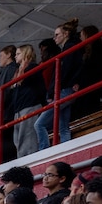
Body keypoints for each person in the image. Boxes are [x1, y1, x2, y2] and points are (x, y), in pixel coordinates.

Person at [35, 19, 82, 150]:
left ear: (66, 34)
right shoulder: (70, 49)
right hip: (66, 90)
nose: (54, 38)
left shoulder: (68, 50)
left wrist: (52, 92)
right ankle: (65, 150)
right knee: (63, 126)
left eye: (57, 35)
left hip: (63, 91)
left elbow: (64, 72)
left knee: (39, 124)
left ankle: (44, 151)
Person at [10, 44, 45, 158]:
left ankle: (28, 160)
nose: (15, 56)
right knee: (18, 139)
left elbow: (27, 83)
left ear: (26, 54)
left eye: (18, 54)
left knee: (27, 138)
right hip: (19, 107)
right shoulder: (18, 71)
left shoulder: (32, 68)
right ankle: (23, 159)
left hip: (29, 105)